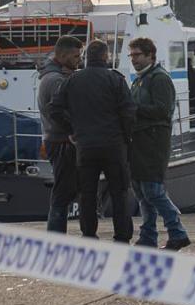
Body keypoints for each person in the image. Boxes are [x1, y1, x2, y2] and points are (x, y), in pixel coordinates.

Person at [50, 40, 136, 242]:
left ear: (87, 57)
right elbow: (129, 112)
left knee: (87, 194)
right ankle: (122, 236)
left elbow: (54, 109)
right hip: (114, 146)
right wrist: (126, 137)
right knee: (119, 192)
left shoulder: (73, 80)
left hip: (85, 146)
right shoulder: (115, 79)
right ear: (106, 56)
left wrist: (72, 129)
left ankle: (89, 234)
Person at [126, 37, 190, 251]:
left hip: (153, 143)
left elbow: (163, 110)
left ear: (150, 55)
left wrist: (133, 109)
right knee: (141, 192)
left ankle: (177, 232)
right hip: (139, 141)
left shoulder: (159, 78)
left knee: (153, 190)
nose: (133, 59)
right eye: (131, 55)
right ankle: (148, 236)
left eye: (137, 55)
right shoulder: (140, 80)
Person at [36, 35, 85, 232]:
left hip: (56, 139)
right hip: (62, 141)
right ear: (63, 56)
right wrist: (74, 131)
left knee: (64, 190)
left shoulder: (51, 77)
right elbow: (59, 111)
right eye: (76, 56)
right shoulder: (56, 80)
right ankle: (55, 235)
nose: (79, 60)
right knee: (62, 192)